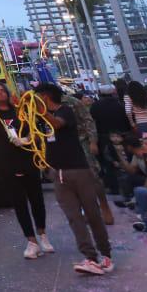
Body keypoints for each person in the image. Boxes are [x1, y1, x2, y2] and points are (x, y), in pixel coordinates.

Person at [35, 83, 112, 275]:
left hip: (78, 170)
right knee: (74, 218)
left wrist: (41, 112)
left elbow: (57, 124)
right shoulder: (40, 117)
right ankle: (90, 258)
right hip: (58, 173)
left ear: (45, 97)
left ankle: (106, 255)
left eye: (37, 97)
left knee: (92, 214)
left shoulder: (65, 110)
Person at [0, 82, 51, 259]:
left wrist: (26, 139)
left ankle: (42, 234)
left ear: (8, 93)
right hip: (6, 163)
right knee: (19, 203)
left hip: (27, 160)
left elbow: (35, 131)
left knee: (37, 199)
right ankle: (31, 241)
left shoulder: (20, 110)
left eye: (2, 90)